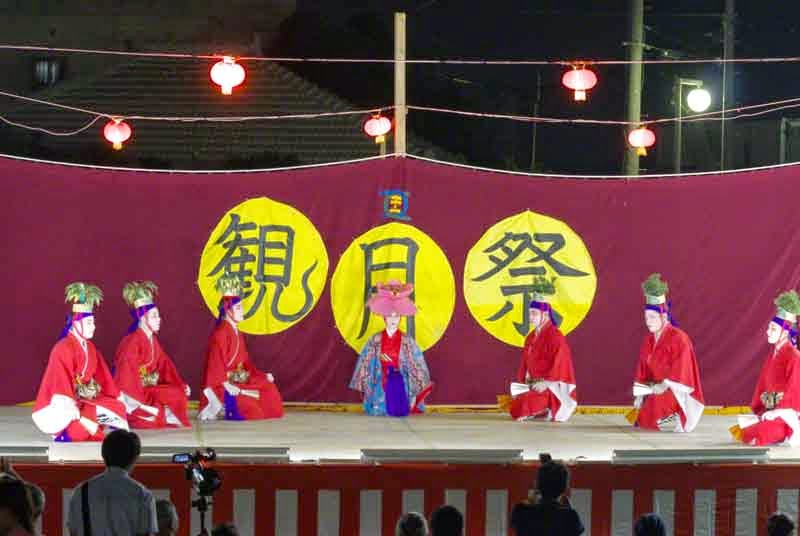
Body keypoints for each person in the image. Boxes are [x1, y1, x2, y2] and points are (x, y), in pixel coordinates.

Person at [32, 283, 129, 442]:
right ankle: (67, 433)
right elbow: (60, 384)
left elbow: (102, 375)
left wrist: (115, 396)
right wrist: (74, 409)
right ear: (76, 323)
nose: (94, 327)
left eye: (93, 322)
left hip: (84, 399)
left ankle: (85, 424)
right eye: (89, 323)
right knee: (85, 422)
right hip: (62, 402)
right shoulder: (62, 348)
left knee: (116, 407)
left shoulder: (90, 347)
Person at [199, 273, 283, 421]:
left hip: (239, 379)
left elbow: (245, 363)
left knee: (269, 391)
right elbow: (214, 368)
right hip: (222, 385)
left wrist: (261, 376)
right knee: (253, 411)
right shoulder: (220, 334)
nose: (242, 311)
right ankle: (222, 407)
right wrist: (226, 384)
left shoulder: (237, 332)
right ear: (228, 310)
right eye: (238, 308)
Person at [628, 274, 705, 432]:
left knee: (649, 417)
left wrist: (665, 384)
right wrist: (641, 393)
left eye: (652, 317)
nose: (648, 321)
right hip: (655, 390)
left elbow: (683, 371)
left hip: (676, 391)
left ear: (663, 317)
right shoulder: (648, 340)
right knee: (641, 417)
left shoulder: (679, 338)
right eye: (646, 317)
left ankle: (676, 414)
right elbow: (643, 369)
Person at [114, 281, 191, 429]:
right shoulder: (131, 343)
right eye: (155, 316)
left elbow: (165, 366)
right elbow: (126, 378)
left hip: (148, 390)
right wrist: (140, 401)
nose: (159, 319)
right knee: (152, 419)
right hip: (135, 395)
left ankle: (159, 412)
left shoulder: (152, 340)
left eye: (158, 315)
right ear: (143, 318)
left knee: (178, 393)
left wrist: (180, 385)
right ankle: (149, 413)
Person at [350, 281, 433, 416]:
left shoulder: (407, 341)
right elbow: (366, 363)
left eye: (396, 316)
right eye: (389, 316)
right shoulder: (375, 340)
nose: (393, 319)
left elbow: (416, 364)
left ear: (401, 318)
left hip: (400, 379)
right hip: (380, 378)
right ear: (384, 317)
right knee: (380, 407)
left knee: (401, 405)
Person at [731, 290, 800, 446]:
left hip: (787, 415)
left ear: (785, 332)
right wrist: (764, 409)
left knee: (761, 434)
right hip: (771, 411)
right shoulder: (772, 355)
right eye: (769, 328)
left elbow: (795, 391)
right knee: (746, 431)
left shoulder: (794, 356)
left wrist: (778, 411)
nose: (768, 332)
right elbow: (763, 385)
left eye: (773, 329)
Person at [507, 277, 577, 422]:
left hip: (551, 387)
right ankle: (540, 409)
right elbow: (525, 364)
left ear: (544, 315)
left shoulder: (556, 336)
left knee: (524, 404)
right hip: (534, 383)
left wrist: (546, 383)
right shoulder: (531, 337)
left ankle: (548, 406)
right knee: (515, 403)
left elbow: (561, 364)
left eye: (534, 313)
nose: (530, 317)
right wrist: (524, 383)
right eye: (530, 313)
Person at [67, 429, 157, 536]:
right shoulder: (143, 495)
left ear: (103, 455)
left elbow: (73, 532)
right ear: (134, 458)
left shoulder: (80, 492)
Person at [510, 456, 583, 536]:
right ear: (564, 488)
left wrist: (531, 500)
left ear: (537, 484)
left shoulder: (521, 512)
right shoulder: (570, 516)